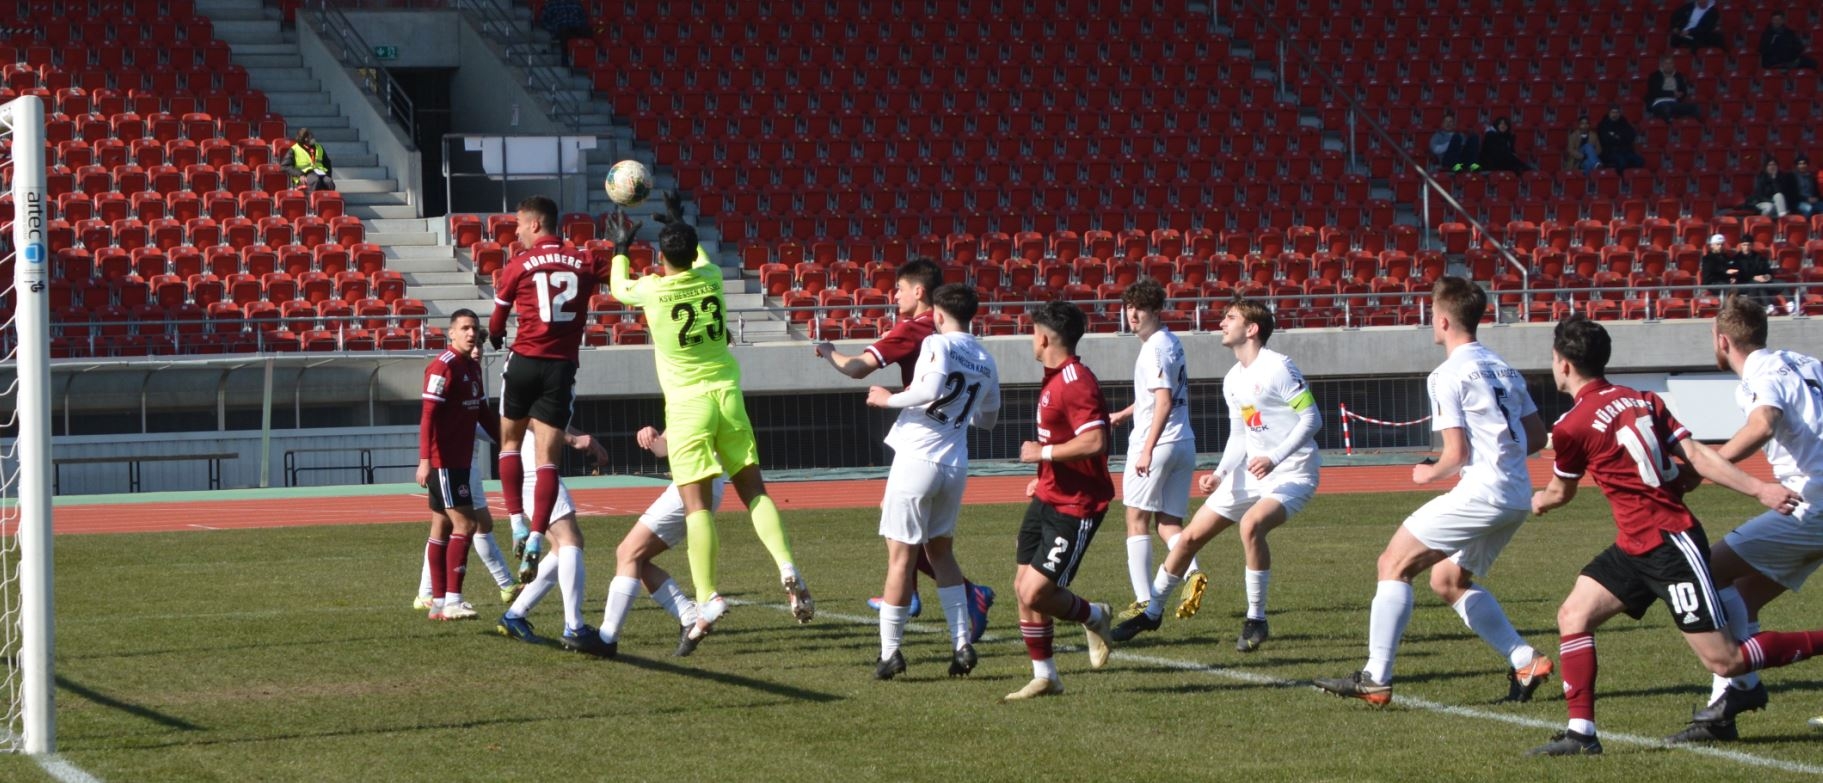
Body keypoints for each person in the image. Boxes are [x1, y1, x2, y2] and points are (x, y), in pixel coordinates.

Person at [1524, 315, 1817, 757]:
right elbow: (1696, 454)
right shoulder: (1642, 399)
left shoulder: (1571, 425)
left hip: (1670, 545)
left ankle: (1750, 685)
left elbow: (1560, 492)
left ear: (1563, 364)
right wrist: (1758, 488)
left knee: (1725, 660)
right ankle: (1581, 734)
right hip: (1634, 544)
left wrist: (1539, 502)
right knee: (1573, 615)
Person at [1315, 278, 1554, 706]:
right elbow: (1536, 436)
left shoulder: (1446, 374)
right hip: (1516, 494)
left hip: (1482, 492)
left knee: (1393, 563)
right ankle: (1525, 659)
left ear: (1443, 321)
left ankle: (1375, 677)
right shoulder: (1505, 369)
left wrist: (1429, 472)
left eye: (1431, 315)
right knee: (1447, 580)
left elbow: (1455, 454)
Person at [609, 192, 816, 647]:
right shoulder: (712, 276)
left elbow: (618, 288)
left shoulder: (653, 288)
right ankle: (785, 563)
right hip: (728, 396)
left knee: (697, 507)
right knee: (755, 491)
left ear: (661, 256)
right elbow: (698, 256)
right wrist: (680, 223)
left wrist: (621, 248)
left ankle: (706, 596)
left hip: (688, 406)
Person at [1112, 297, 1321, 653]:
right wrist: (1221, 473)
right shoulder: (1233, 379)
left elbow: (1312, 419)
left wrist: (1274, 458)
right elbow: (1241, 435)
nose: (1222, 323)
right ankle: (1152, 612)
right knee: (1189, 537)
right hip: (1251, 473)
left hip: (1293, 472)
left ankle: (1256, 619)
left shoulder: (1278, 367)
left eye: (1230, 317)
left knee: (1251, 525)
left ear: (1251, 329)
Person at [1663, 298, 1823, 743]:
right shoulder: (1805, 363)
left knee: (1709, 572)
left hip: (1812, 505)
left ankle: (1743, 688)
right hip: (1814, 504)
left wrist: (1705, 467)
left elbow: (1763, 423)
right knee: (1744, 598)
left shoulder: (1761, 374)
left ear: (1722, 340)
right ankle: (1722, 714)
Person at [812, 258, 996, 639]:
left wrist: (828, 351)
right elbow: (988, 414)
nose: (893, 296)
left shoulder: (918, 330)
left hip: (921, 441)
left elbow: (858, 368)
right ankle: (935, 604)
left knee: (905, 532)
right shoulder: (968, 344)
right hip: (953, 447)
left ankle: (940, 599)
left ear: (919, 291)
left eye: (898, 289)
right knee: (927, 537)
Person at [863, 283, 1002, 680]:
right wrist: (958, 413)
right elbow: (988, 419)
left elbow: (928, 389)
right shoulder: (986, 358)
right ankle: (961, 644)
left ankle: (890, 653)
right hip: (955, 464)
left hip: (917, 459)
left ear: (938, 315)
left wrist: (886, 399)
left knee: (901, 557)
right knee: (941, 553)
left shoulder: (936, 343)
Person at [487, 195, 606, 651]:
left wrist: (495, 334)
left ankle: (518, 528)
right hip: (560, 367)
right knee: (567, 533)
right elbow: (616, 274)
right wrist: (619, 246)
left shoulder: (519, 264)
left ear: (535, 224)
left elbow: (498, 320)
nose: (515, 231)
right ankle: (570, 620)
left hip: (523, 361)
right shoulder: (583, 260)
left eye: (518, 224)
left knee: (509, 445)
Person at [537, 426, 729, 657]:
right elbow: (663, 449)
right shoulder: (694, 405)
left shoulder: (695, 404)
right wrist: (653, 438)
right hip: (697, 485)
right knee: (636, 559)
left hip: (692, 486)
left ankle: (607, 639)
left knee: (628, 553)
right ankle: (688, 616)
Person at [1005, 301, 1115, 702]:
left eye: (1032, 332)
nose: (1030, 339)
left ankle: (1095, 615)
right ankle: (1046, 676)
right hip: (1048, 495)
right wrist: (1043, 475)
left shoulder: (1075, 381)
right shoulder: (1054, 379)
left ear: (1044, 338)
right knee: (1022, 587)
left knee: (1036, 592)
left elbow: (1095, 440)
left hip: (1077, 504)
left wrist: (1043, 454)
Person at [1106, 280, 1206, 625]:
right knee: (1168, 522)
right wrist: (1124, 414)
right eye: (1129, 307)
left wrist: (1147, 449)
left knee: (1136, 520)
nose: (1133, 315)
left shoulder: (1153, 350)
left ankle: (1143, 599)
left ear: (1155, 311)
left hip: (1158, 444)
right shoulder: (1171, 341)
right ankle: (1192, 572)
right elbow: (1157, 397)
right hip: (1184, 443)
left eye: (1141, 309)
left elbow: (1162, 402)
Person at [492, 423, 622, 657]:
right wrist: (573, 439)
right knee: (571, 540)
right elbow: (534, 418)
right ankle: (574, 627)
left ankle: (514, 616)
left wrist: (584, 437)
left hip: (535, 467)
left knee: (562, 547)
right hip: (535, 468)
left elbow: (553, 419)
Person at [415, 310, 502, 621]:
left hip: (459, 462)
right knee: (466, 525)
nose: (470, 333)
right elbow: (428, 416)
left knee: (442, 527)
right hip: (444, 462)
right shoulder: (443, 366)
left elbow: (483, 414)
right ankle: (453, 599)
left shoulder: (472, 367)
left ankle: (438, 603)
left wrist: (507, 443)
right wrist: (425, 461)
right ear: (451, 333)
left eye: (474, 328)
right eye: (464, 328)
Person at [1645, 55, 1704, 121]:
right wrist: (1672, 93)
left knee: (1695, 108)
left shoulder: (1678, 76)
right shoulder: (1654, 76)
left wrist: (1681, 94)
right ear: (1661, 65)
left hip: (1674, 102)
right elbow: (1654, 92)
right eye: (1666, 63)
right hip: (1659, 102)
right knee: (1665, 108)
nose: (1668, 66)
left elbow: (1683, 91)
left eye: (1670, 63)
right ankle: (1671, 125)